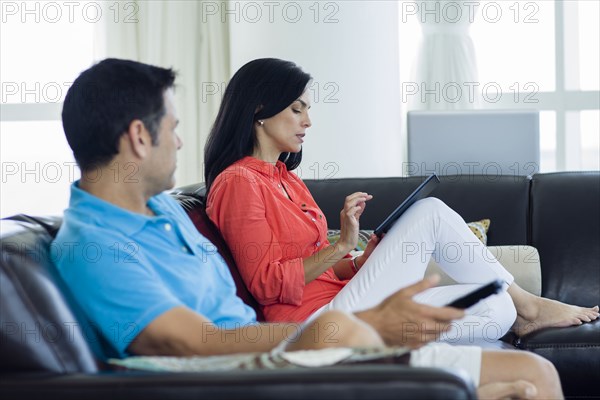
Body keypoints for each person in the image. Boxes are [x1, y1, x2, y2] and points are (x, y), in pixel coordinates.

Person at [54, 58, 564, 400]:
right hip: (279, 362)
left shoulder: (161, 212)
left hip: (303, 345)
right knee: (533, 374)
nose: (181, 145)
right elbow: (183, 344)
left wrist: (354, 261)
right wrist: (343, 331)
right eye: (173, 129)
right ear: (140, 137)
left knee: (523, 357)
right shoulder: (93, 245)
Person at [204, 58, 598, 343]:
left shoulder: (286, 179)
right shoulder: (238, 183)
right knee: (430, 212)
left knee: (496, 307)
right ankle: (530, 305)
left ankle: (387, 346)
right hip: (315, 325)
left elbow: (323, 270)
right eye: (296, 109)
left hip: (345, 300)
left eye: (308, 110)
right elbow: (266, 284)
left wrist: (360, 259)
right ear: (259, 109)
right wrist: (342, 242)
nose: (308, 121)